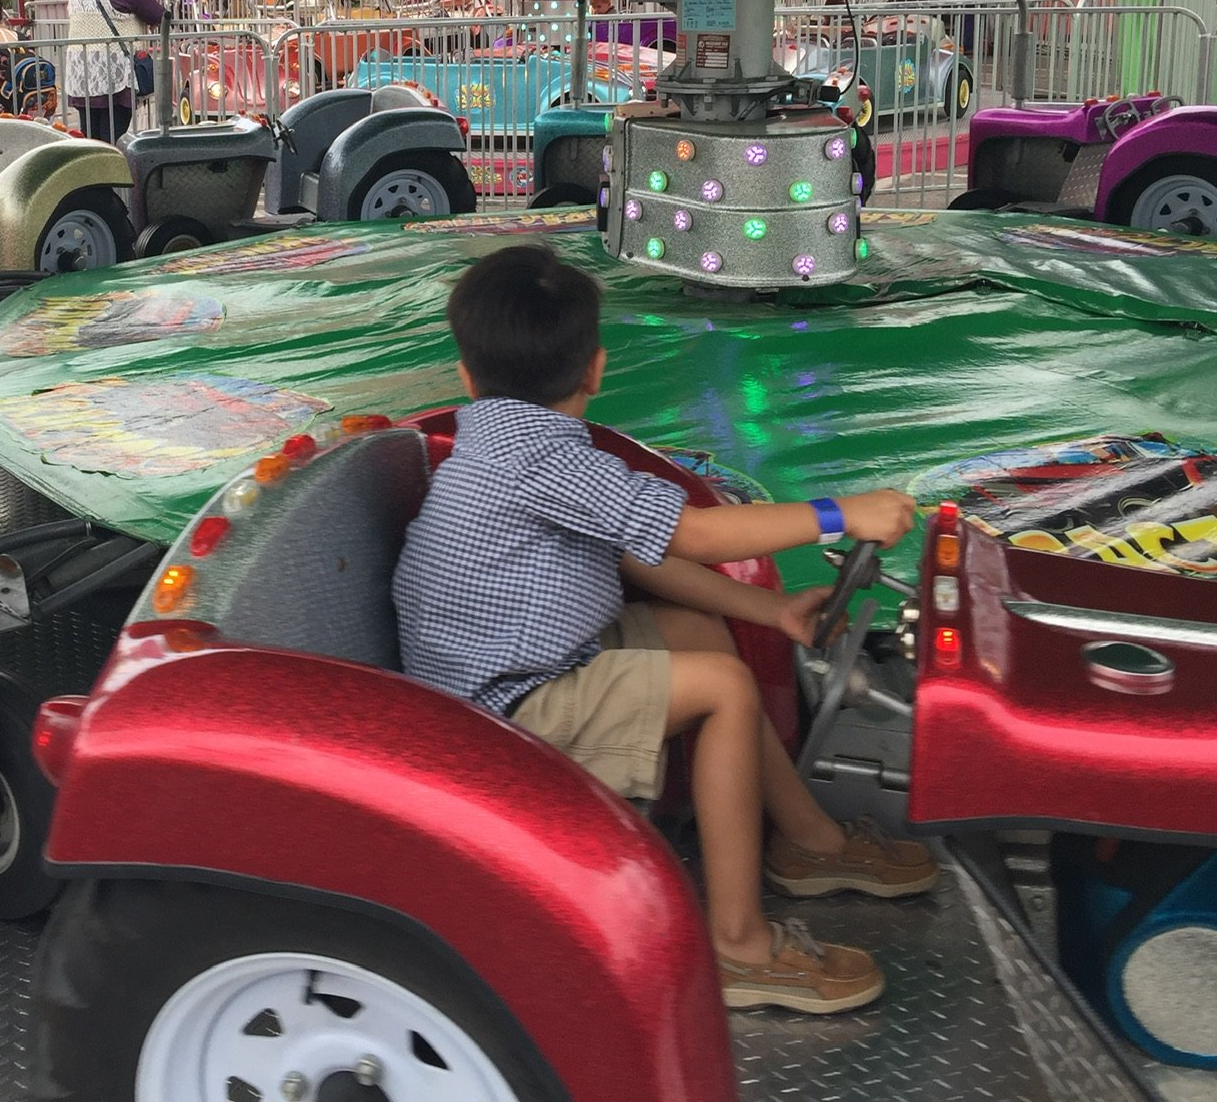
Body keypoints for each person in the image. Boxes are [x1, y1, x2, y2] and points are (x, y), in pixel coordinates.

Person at [392, 245, 933, 1015]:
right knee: (724, 690)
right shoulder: (547, 460)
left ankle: (807, 842)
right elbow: (695, 536)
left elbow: (638, 556)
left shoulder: (492, 438)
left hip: (507, 676)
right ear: (595, 369)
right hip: (506, 718)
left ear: (467, 374)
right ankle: (739, 946)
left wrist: (771, 612)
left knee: (695, 631)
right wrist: (837, 512)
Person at [64, 0, 166, 144]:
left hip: (82, 70)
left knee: (91, 138)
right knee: (113, 139)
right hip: (113, 69)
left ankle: (93, 178)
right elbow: (156, 14)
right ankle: (113, 178)